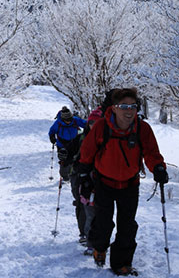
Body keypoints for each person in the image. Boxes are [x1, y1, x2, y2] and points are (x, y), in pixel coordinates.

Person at [77, 88, 168, 276]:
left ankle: (121, 263)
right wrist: (84, 175)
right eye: (124, 106)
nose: (129, 111)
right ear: (114, 108)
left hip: (129, 185)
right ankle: (99, 248)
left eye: (133, 107)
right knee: (102, 223)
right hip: (104, 183)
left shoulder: (142, 129)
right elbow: (87, 152)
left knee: (127, 226)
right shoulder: (101, 127)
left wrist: (158, 167)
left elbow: (151, 153)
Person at [75, 108, 102, 254]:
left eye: (97, 122)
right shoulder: (82, 138)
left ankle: (100, 242)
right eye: (91, 122)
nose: (94, 125)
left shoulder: (107, 139)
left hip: (103, 183)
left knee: (102, 215)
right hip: (86, 183)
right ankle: (91, 243)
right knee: (89, 213)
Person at [48, 106, 87, 181]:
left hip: (74, 143)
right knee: (64, 160)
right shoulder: (58, 123)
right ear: (63, 119)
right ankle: (65, 176)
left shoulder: (75, 120)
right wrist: (52, 138)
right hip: (62, 144)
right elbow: (51, 131)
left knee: (74, 158)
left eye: (70, 119)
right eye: (67, 120)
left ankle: (74, 173)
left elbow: (85, 124)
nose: (69, 121)